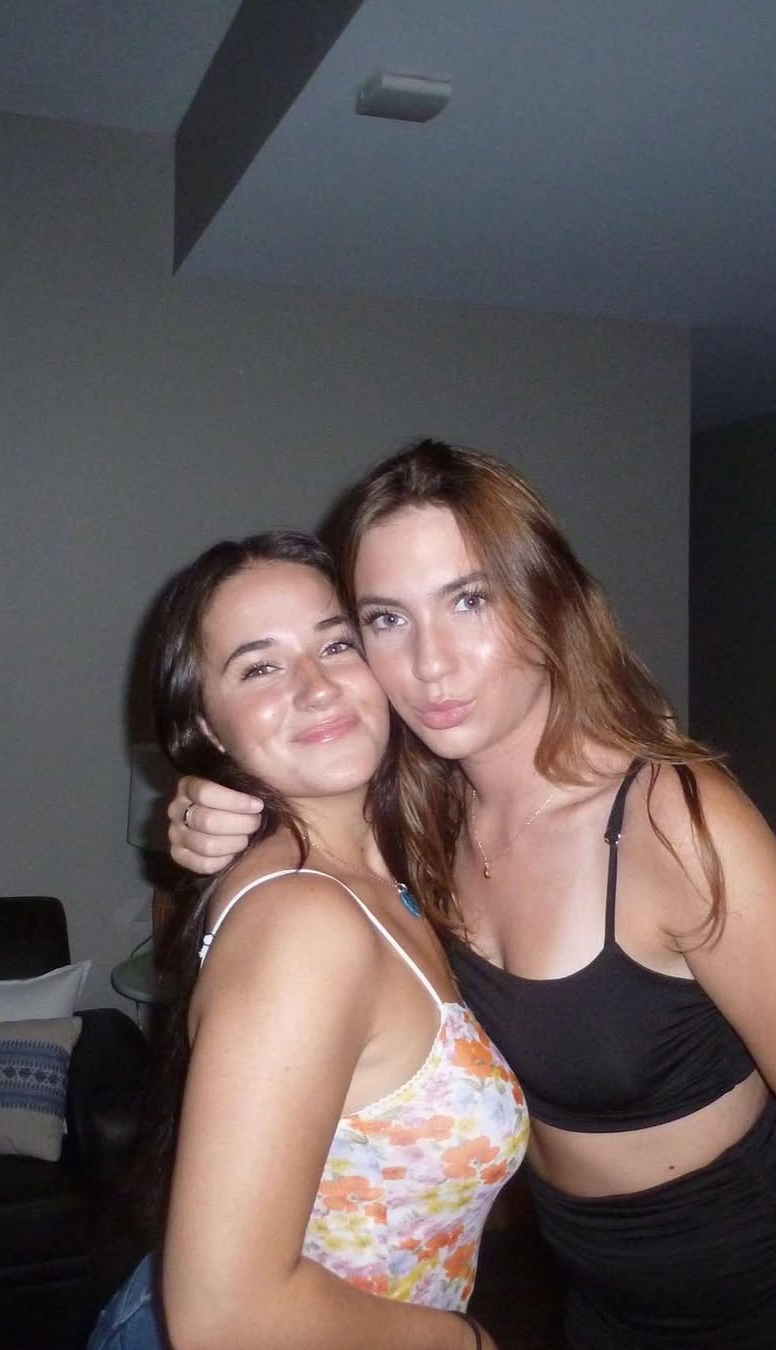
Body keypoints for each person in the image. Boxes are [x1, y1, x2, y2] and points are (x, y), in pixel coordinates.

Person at [168, 441, 776, 1349]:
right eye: (386, 619)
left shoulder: (671, 820)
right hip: (593, 1302)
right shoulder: (417, 818)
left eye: (469, 600)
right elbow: (305, 795)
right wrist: (214, 806)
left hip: (769, 1287)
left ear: (546, 600)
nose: (431, 664)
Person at [89, 530, 528, 1350]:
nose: (317, 686)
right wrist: (466, 1342)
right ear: (208, 726)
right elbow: (225, 1316)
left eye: (336, 644)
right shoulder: (303, 924)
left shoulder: (391, 866)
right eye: (259, 667)